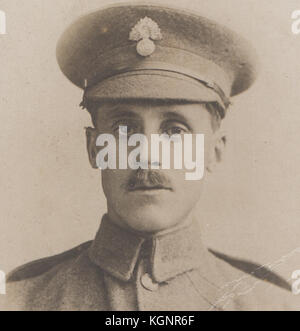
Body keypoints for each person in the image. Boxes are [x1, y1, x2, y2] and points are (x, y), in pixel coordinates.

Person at [1, 3, 297, 311]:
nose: (148, 155)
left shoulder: (273, 305)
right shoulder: (21, 302)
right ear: (94, 149)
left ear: (214, 151)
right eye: (125, 128)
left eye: (175, 131)